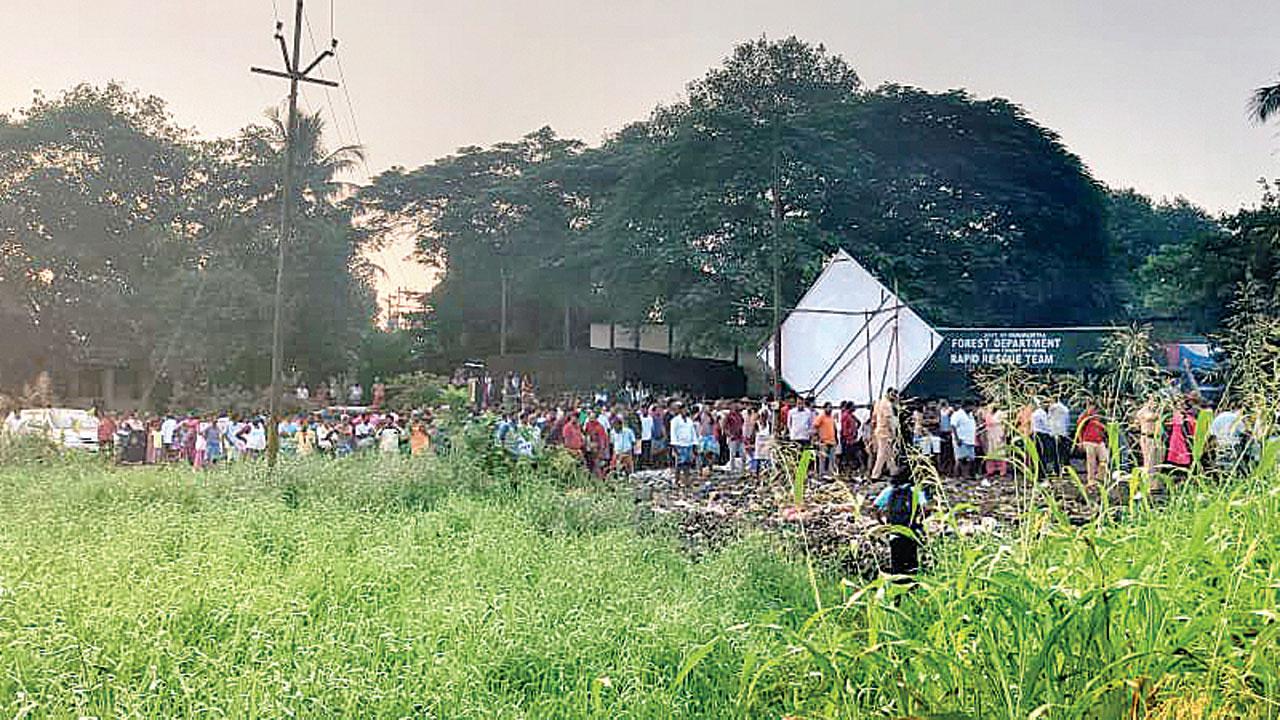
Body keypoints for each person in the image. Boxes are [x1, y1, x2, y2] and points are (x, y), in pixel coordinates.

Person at [873, 468, 928, 575]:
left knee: (896, 559)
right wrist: (920, 520)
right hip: (911, 529)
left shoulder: (889, 491)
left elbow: (875, 507)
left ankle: (897, 583)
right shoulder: (915, 491)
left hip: (894, 529)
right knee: (911, 559)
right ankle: (912, 585)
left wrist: (881, 522)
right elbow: (925, 508)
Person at [1075, 402, 1107, 491]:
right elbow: (1079, 428)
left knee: (1104, 459)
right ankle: (1091, 480)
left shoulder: (1099, 417)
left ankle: (1100, 477)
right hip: (1088, 440)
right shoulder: (1085, 417)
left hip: (1099, 440)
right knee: (1091, 461)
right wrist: (1080, 441)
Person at [869, 389, 900, 480]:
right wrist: (894, 432)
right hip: (885, 432)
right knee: (882, 454)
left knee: (889, 453)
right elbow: (889, 419)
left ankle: (893, 471)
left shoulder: (878, 403)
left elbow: (873, 418)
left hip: (879, 431)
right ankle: (875, 474)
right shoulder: (887, 405)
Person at [669, 403, 698, 484]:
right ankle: (677, 480)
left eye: (686, 410)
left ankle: (686, 480)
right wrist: (674, 446)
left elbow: (693, 433)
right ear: (680, 410)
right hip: (679, 445)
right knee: (679, 464)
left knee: (687, 463)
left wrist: (694, 444)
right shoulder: (675, 421)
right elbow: (673, 433)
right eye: (683, 410)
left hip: (688, 444)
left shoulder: (689, 421)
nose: (685, 411)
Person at [1135, 398, 1160, 481]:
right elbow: (1149, 417)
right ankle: (1148, 485)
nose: (1155, 403)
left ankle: (1155, 485)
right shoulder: (1143, 411)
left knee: (1157, 463)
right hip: (1147, 438)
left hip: (1156, 438)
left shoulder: (1156, 410)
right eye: (1153, 400)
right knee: (1149, 463)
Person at [950, 403, 977, 479]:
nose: (972, 408)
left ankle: (966, 474)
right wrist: (957, 438)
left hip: (970, 439)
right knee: (962, 459)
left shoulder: (970, 414)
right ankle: (961, 475)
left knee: (971, 459)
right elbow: (953, 426)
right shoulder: (957, 414)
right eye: (971, 406)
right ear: (966, 406)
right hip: (961, 440)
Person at [1031, 399, 1056, 476]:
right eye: (1046, 403)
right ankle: (1042, 472)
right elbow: (1046, 425)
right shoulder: (1041, 413)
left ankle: (1038, 471)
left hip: (1036, 434)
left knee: (1038, 453)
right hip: (1042, 435)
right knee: (1043, 453)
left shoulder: (1035, 413)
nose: (1048, 405)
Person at [982, 405, 1008, 480]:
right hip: (990, 434)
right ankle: (991, 469)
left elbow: (1005, 425)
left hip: (999, 433)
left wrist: (1005, 434)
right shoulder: (988, 414)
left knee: (1000, 451)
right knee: (991, 451)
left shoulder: (1001, 413)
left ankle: (1002, 470)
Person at [814, 403, 838, 479]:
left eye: (831, 408)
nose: (830, 409)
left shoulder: (831, 417)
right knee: (823, 459)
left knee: (832, 459)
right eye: (828, 408)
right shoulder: (821, 416)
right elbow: (815, 426)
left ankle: (830, 473)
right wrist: (818, 437)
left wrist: (836, 438)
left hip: (832, 440)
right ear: (824, 408)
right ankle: (822, 474)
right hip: (824, 441)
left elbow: (834, 428)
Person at [1048, 397, 1072, 474]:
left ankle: (1056, 470)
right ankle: (1065, 468)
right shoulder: (1065, 408)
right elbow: (1067, 421)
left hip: (1057, 432)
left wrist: (1054, 432)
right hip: (1063, 432)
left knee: (1056, 452)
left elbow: (1053, 422)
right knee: (1063, 451)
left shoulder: (1054, 408)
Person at [724, 401, 746, 475]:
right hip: (733, 438)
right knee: (732, 454)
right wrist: (729, 435)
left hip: (740, 437)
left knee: (743, 454)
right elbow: (724, 427)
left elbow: (742, 424)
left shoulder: (739, 415)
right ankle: (732, 469)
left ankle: (743, 470)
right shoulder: (728, 416)